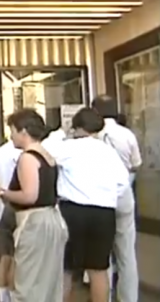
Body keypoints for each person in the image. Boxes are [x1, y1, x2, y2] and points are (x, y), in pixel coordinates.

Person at [45, 107, 129, 302]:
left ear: (76, 127)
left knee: (66, 268)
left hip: (73, 211)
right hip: (104, 213)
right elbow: (123, 183)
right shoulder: (109, 151)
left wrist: (60, 132)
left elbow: (44, 149)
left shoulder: (69, 147)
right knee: (99, 269)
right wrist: (106, 196)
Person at [0, 109, 67, 302]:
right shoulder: (47, 155)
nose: (11, 135)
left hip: (34, 222)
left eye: (12, 130)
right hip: (52, 218)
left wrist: (2, 192)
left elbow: (30, 195)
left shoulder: (27, 157)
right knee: (49, 281)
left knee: (28, 282)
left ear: (24, 131)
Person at [92, 95, 140, 302]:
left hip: (99, 198)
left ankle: (105, 296)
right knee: (126, 253)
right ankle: (129, 298)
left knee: (102, 254)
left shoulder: (91, 136)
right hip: (124, 197)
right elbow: (136, 164)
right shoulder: (127, 134)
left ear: (95, 112)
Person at [0, 138, 22, 302]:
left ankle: (3, 297)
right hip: (18, 208)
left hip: (1, 211)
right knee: (17, 258)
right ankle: (14, 297)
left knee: (5, 256)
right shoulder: (24, 153)